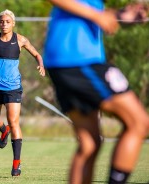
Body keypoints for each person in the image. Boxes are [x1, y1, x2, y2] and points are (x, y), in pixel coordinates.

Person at [44, 1, 149, 184]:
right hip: (78, 58)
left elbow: (88, 10)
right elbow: (90, 12)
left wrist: (120, 15)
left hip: (66, 60)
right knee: (139, 123)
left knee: (89, 144)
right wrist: (96, 15)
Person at [0, 9, 45, 177]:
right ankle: (3, 130)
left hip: (13, 87)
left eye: (7, 21)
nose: (4, 24)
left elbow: (37, 54)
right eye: (2, 21)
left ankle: (16, 165)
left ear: (13, 23)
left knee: (14, 121)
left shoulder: (21, 40)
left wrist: (41, 64)